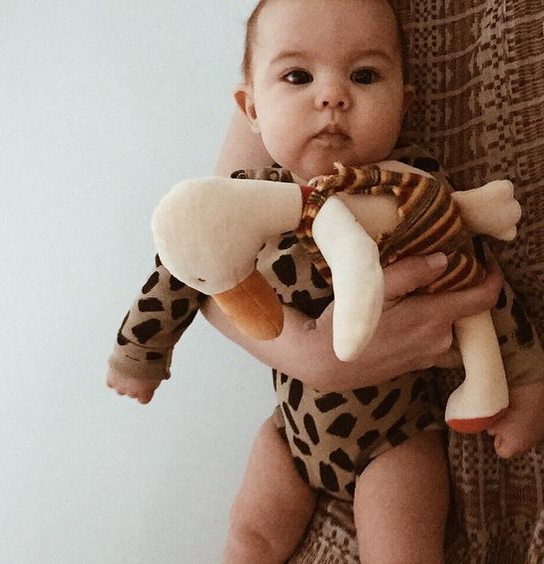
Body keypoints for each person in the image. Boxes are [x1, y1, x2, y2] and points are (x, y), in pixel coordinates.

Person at [107, 0, 543, 562]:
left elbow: (482, 290)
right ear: (252, 108)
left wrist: (527, 384)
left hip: (396, 436)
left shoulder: (410, 197)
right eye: (297, 76)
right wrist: (139, 354)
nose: (332, 96)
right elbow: (184, 267)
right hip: (290, 432)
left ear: (403, 103)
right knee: (248, 533)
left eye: (364, 76)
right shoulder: (243, 201)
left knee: (402, 549)